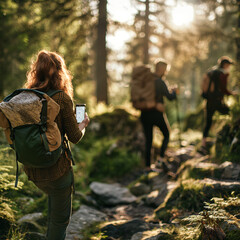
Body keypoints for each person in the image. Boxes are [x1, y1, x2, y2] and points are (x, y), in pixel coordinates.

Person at [23, 50, 90, 240]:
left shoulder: (28, 96)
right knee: (60, 221)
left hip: (33, 171)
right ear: (61, 72)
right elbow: (75, 137)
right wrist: (83, 124)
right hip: (58, 170)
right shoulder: (61, 98)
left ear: (36, 72)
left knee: (53, 211)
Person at [140, 59, 177, 171]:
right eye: (165, 69)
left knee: (148, 140)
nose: (166, 71)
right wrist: (175, 92)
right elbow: (170, 97)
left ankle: (147, 167)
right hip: (156, 114)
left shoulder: (146, 81)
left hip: (145, 113)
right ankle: (160, 159)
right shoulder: (160, 82)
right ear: (161, 69)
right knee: (166, 134)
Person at [201, 56, 234, 153]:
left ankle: (203, 145)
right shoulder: (222, 74)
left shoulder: (211, 71)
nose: (229, 67)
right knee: (230, 113)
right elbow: (223, 89)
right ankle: (228, 136)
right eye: (228, 65)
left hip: (209, 101)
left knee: (208, 122)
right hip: (217, 101)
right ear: (224, 64)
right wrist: (232, 94)